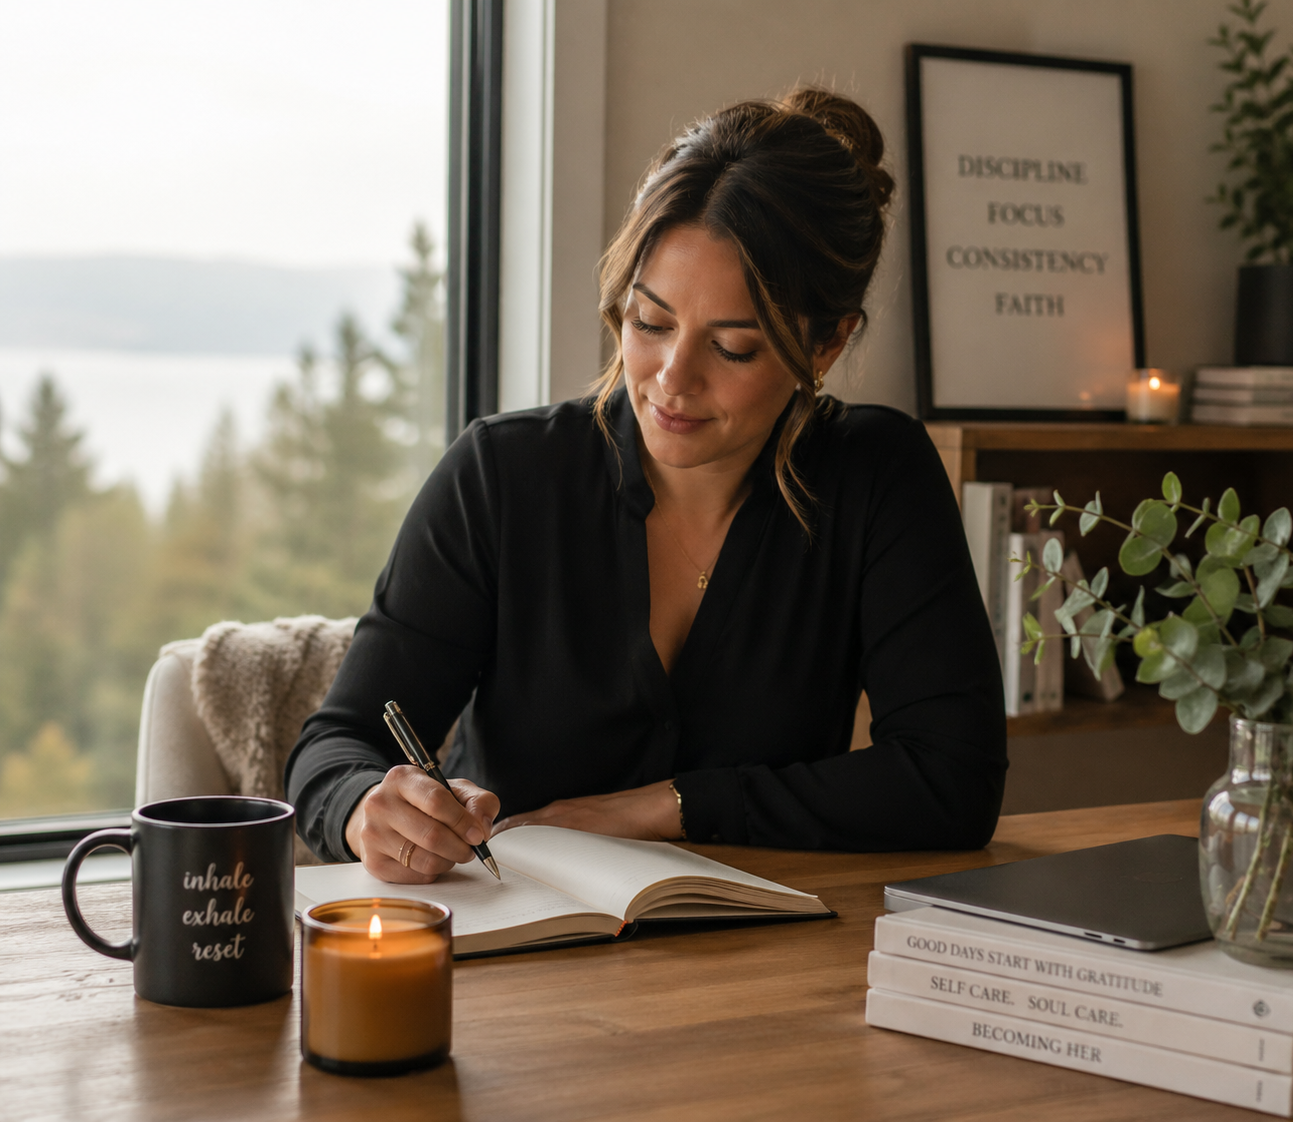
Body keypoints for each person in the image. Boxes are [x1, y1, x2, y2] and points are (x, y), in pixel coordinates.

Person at [285, 88, 1006, 884]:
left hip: (763, 966)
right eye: (649, 322)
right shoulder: (503, 475)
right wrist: (365, 809)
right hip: (515, 962)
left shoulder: (878, 477)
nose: (671, 380)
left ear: (828, 342)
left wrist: (666, 807)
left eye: (732, 347)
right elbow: (335, 746)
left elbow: (954, 781)